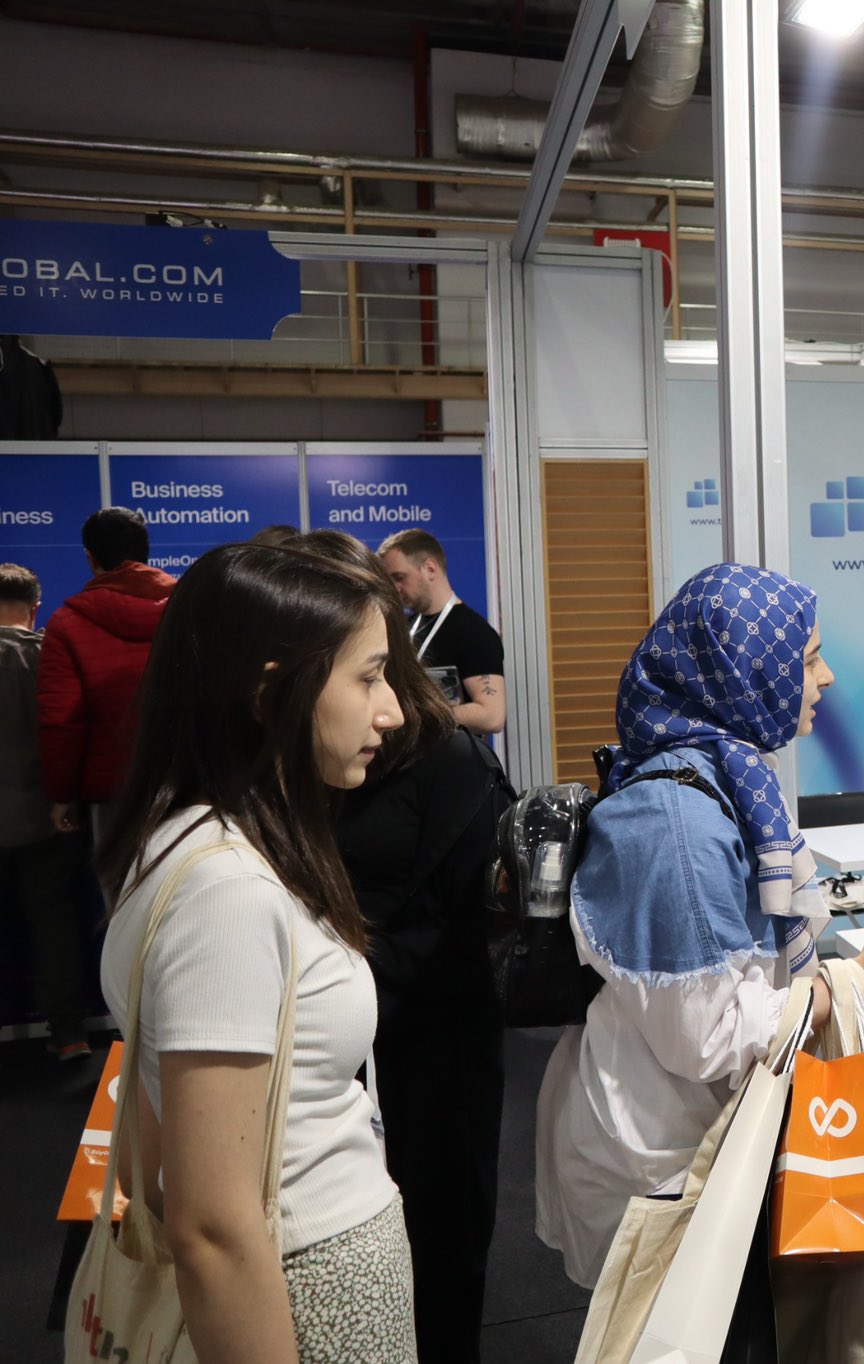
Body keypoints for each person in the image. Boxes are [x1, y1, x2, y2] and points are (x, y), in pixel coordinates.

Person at [535, 562, 864, 1288]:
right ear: (744, 671)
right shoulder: (676, 823)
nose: (826, 678)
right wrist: (853, 980)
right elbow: (705, 1037)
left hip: (682, 1138)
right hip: (661, 1163)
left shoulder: (720, 775)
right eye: (810, 659)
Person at [96, 542, 417, 1361]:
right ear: (273, 693)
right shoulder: (227, 891)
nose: (391, 712)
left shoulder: (203, 845)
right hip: (307, 1288)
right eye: (369, 678)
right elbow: (212, 1226)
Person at [296, 530, 512, 1364]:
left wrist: (356, 973)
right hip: (333, 1051)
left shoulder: (450, 762)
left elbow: (477, 931)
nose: (380, 708)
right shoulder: (287, 770)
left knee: (440, 1232)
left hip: (430, 1037)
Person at [37, 506, 176, 839]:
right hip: (185, 782)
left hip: (112, 792)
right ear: (146, 550)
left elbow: (60, 720)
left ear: (90, 557)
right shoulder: (190, 607)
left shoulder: (67, 623)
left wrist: (63, 795)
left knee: (120, 873)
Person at [0, 563, 91, 1067]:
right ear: (36, 608)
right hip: (47, 816)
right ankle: (70, 1032)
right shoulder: (51, 658)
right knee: (54, 923)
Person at [377, 529, 504, 736]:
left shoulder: (472, 631)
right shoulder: (406, 627)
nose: (395, 588)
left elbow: (492, 715)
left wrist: (420, 715)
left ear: (430, 569)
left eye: (399, 577)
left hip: (452, 754)